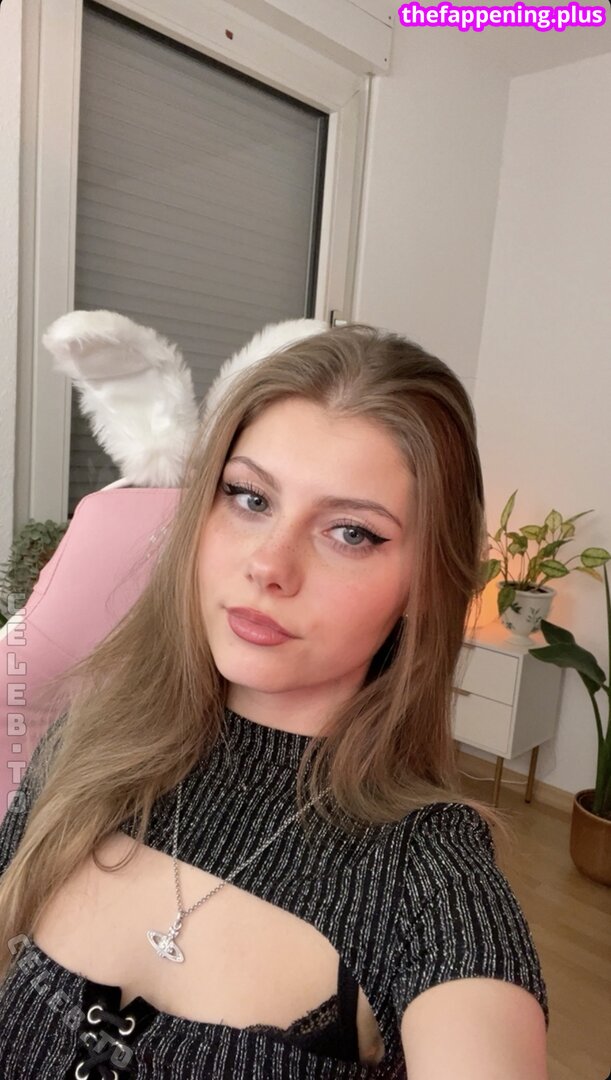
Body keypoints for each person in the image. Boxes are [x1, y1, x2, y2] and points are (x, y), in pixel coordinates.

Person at [0, 323, 549, 1079]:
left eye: (350, 532)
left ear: (425, 583)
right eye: (250, 497)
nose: (269, 565)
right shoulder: (84, 745)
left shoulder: (429, 880)